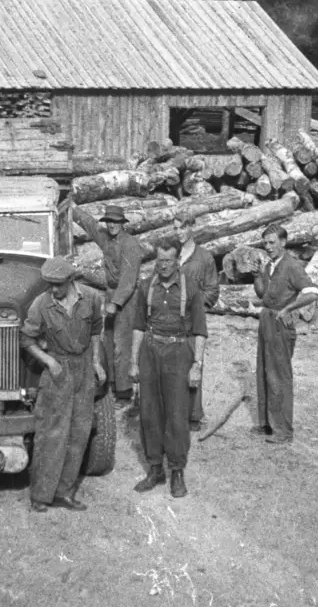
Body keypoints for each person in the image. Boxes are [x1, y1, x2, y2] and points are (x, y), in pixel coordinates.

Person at [21, 256, 106, 513]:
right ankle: (40, 495)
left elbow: (95, 332)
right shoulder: (41, 304)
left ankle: (64, 492)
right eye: (50, 284)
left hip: (83, 370)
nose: (54, 289)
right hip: (58, 371)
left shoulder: (91, 298)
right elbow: (26, 339)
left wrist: (97, 362)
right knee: (51, 434)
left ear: (71, 280)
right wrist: (49, 361)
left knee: (78, 434)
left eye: (58, 284)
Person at [130, 239, 207, 498]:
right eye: (159, 261)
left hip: (179, 352)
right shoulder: (145, 287)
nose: (162, 266)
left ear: (177, 262)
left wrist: (197, 365)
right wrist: (133, 362)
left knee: (176, 414)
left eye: (168, 261)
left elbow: (200, 331)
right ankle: (155, 468)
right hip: (150, 351)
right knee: (149, 412)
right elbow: (139, 326)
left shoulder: (191, 288)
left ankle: (176, 471)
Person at [250, 223, 318, 445]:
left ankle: (283, 430)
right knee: (263, 371)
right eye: (265, 243)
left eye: (272, 242)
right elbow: (264, 294)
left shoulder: (291, 266)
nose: (268, 247)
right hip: (266, 320)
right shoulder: (270, 266)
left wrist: (289, 309)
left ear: (283, 242)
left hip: (281, 323)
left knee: (279, 376)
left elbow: (312, 292)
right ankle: (267, 424)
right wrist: (256, 275)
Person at [72, 203, 143, 407]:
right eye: (109, 221)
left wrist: (115, 303)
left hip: (126, 298)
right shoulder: (108, 240)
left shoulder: (130, 245)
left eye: (116, 222)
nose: (112, 225)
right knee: (109, 340)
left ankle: (124, 392)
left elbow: (129, 281)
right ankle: (112, 385)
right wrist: (73, 210)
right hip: (112, 294)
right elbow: (92, 226)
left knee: (122, 344)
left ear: (123, 223)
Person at [173, 209, 219, 432]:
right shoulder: (172, 255)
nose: (178, 232)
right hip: (170, 320)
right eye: (175, 228)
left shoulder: (204, 258)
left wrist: (196, 306)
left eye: (182, 227)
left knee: (194, 363)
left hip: (193, 322)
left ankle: (194, 415)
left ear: (191, 228)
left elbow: (213, 290)